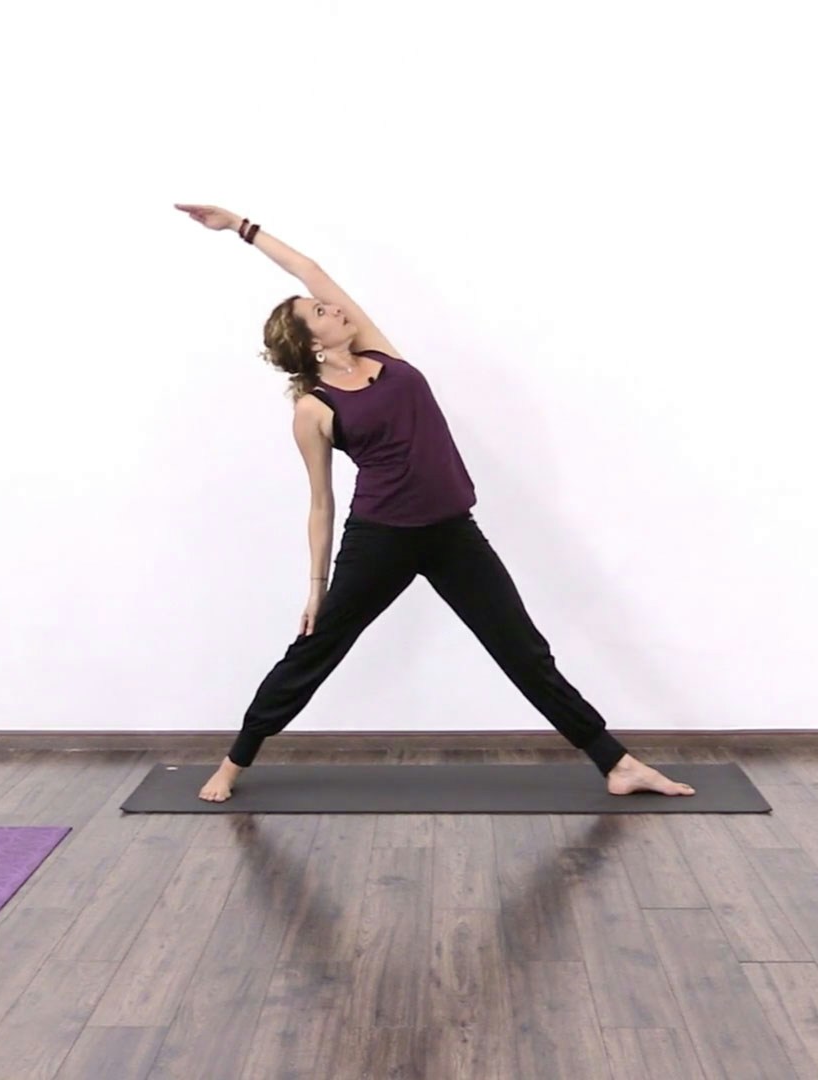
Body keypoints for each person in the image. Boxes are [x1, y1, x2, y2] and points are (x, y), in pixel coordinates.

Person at [173, 203, 694, 803]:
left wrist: (240, 226)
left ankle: (616, 764)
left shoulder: (381, 354)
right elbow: (320, 503)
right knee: (316, 652)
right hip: (380, 539)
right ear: (311, 344)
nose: (334, 307)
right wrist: (316, 586)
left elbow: (308, 268)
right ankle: (234, 762)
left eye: (328, 305)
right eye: (319, 312)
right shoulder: (314, 409)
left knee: (523, 650)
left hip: (452, 532)